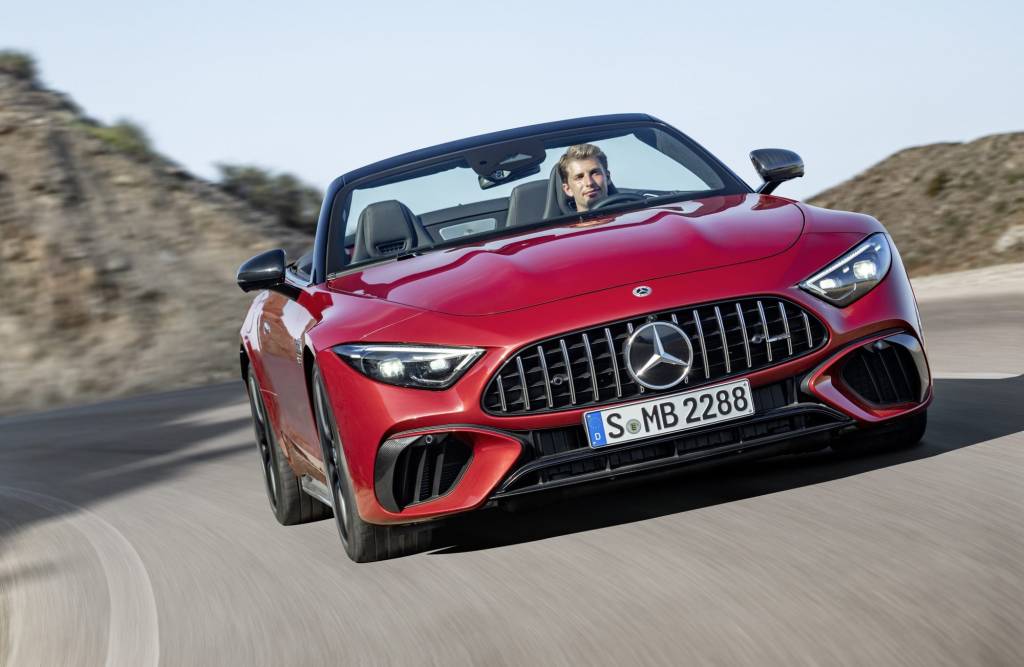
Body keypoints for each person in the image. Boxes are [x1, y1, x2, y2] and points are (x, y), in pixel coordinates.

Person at [557, 143, 611, 212]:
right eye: (579, 177)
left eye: (594, 173)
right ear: (568, 189)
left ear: (607, 177)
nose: (589, 182)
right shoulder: (561, 223)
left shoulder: (628, 216)